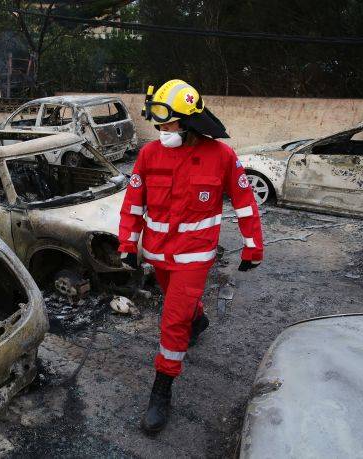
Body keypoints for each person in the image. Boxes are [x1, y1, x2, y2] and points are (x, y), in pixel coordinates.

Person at [117, 79, 264, 434]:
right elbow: (133, 203)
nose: (159, 129)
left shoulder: (222, 157)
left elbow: (245, 204)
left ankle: (161, 390)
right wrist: (127, 243)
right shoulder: (149, 155)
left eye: (166, 122)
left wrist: (253, 246)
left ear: (188, 120)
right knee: (178, 304)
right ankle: (198, 320)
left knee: (171, 321)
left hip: (195, 258)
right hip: (159, 254)